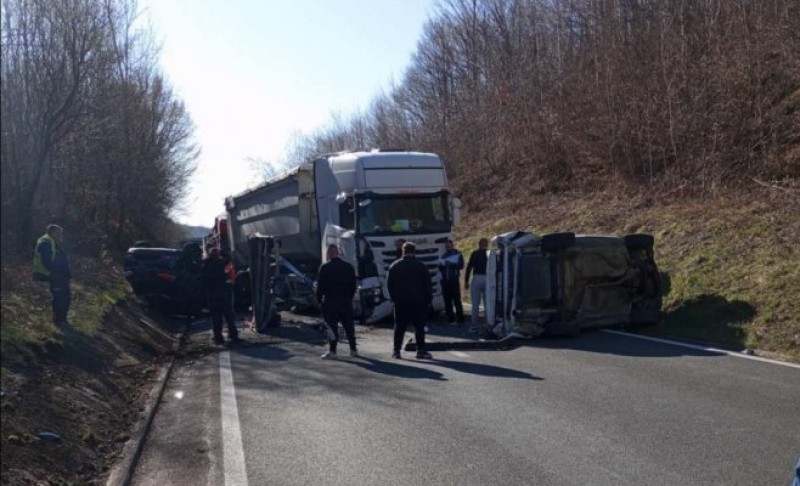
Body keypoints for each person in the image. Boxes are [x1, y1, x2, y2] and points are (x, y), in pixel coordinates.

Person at [387, 242, 432, 359]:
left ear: (403, 251)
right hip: (418, 301)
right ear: (414, 251)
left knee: (399, 327)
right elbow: (428, 284)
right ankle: (420, 350)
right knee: (419, 327)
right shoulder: (421, 266)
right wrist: (427, 300)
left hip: (401, 301)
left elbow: (389, 285)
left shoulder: (395, 266)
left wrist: (394, 298)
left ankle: (396, 351)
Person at [316, 244, 358, 359]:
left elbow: (320, 286)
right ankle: (353, 349)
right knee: (349, 326)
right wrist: (350, 297)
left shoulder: (325, 267)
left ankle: (333, 350)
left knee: (332, 327)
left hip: (330, 301)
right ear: (338, 253)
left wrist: (319, 300)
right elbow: (353, 285)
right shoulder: (348, 267)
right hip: (345, 300)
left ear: (329, 253)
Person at [33, 224, 72, 328]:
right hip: (52, 275)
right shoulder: (45, 242)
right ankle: (58, 320)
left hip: (58, 275)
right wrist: (56, 272)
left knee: (65, 296)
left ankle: (62, 319)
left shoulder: (53, 242)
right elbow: (47, 261)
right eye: (59, 233)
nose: (61, 235)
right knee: (60, 297)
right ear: (53, 232)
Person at [202, 247, 240, 345]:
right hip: (222, 293)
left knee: (216, 317)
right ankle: (233, 334)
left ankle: (218, 338)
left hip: (212, 294)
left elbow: (202, 280)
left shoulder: (205, 264)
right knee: (228, 315)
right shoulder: (220, 262)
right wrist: (221, 250)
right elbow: (228, 257)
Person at [464, 238, 489, 334]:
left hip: (476, 277)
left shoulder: (474, 253)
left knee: (475, 304)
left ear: (479, 244)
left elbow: (469, 267)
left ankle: (474, 325)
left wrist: (466, 281)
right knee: (487, 304)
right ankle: (487, 324)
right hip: (487, 278)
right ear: (487, 244)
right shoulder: (490, 254)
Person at [439, 239, 464, 325]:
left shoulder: (458, 254)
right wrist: (442, 265)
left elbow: (461, 265)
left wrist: (450, 264)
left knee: (457, 300)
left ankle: (460, 318)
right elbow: (440, 268)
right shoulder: (443, 255)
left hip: (454, 280)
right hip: (445, 281)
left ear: (452, 245)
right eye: (446, 246)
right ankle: (451, 319)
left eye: (449, 245)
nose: (447, 247)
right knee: (447, 300)